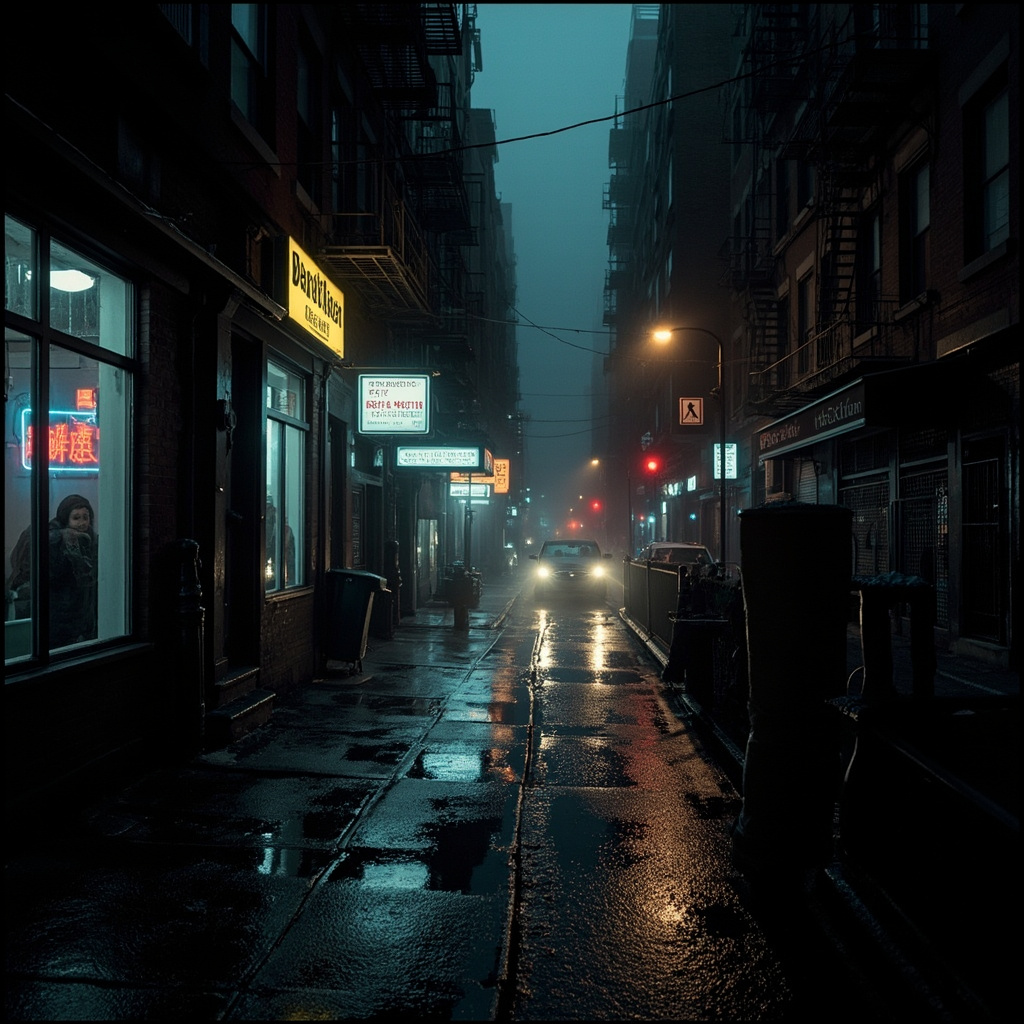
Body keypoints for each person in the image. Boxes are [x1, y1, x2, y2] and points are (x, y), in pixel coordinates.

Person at [49, 493, 98, 646]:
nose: (82, 522)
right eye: (76, 518)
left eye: (86, 517)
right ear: (66, 519)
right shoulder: (55, 542)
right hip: (61, 616)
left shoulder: (91, 540)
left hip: (85, 616)